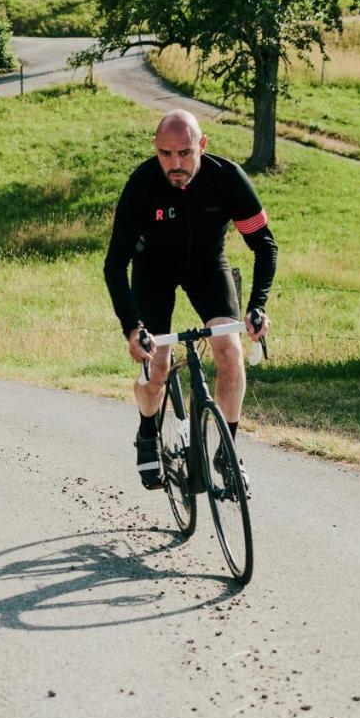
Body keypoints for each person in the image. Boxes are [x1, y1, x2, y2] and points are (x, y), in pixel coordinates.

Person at [103, 109, 276, 489]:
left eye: (184, 153)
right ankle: (148, 430)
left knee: (229, 351)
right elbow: (115, 264)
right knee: (158, 365)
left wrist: (257, 306)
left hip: (207, 268)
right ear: (155, 149)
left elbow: (264, 246)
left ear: (202, 145)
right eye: (165, 154)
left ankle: (227, 450)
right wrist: (133, 329)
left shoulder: (226, 179)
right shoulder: (142, 185)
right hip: (153, 273)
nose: (175, 164)